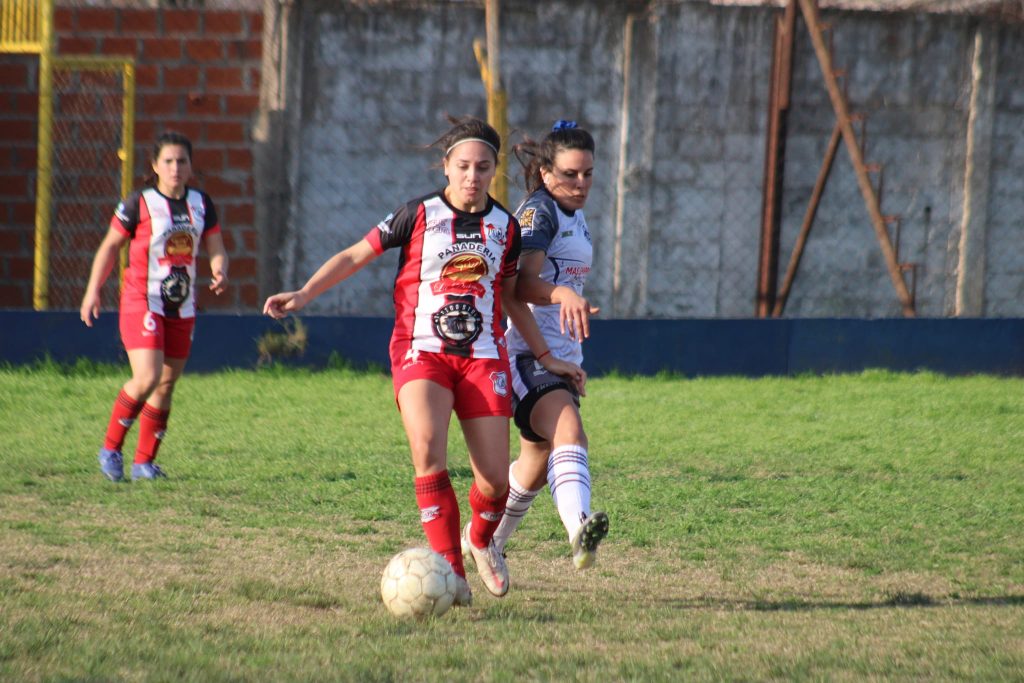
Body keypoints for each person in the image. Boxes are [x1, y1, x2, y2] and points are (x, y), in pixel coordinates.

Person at [262, 117, 585, 604]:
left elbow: (514, 298)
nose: (472, 176)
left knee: (495, 482)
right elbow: (355, 254)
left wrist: (545, 355)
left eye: (482, 167)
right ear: (446, 167)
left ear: (494, 170)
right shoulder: (417, 214)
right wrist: (305, 293)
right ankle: (451, 576)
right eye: (462, 166)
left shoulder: (505, 228)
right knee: (428, 449)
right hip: (422, 352)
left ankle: (479, 541)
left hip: (483, 357)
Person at [489, 120, 609, 570]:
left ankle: (483, 541)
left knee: (536, 464)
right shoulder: (539, 212)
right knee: (568, 431)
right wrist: (561, 295)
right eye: (570, 175)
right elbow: (519, 287)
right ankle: (579, 526)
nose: (581, 184)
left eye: (588, 174)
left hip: (559, 358)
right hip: (527, 355)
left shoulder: (572, 214)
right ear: (545, 173)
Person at [80, 131, 229, 482]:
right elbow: (109, 247)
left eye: (182, 161)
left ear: (191, 167)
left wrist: (220, 269)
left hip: (182, 304)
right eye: (168, 161)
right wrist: (93, 291)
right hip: (141, 300)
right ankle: (111, 449)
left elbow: (216, 246)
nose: (176, 168)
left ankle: (144, 463)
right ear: (155, 166)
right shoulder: (139, 203)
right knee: (147, 376)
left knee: (166, 383)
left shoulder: (201, 203)